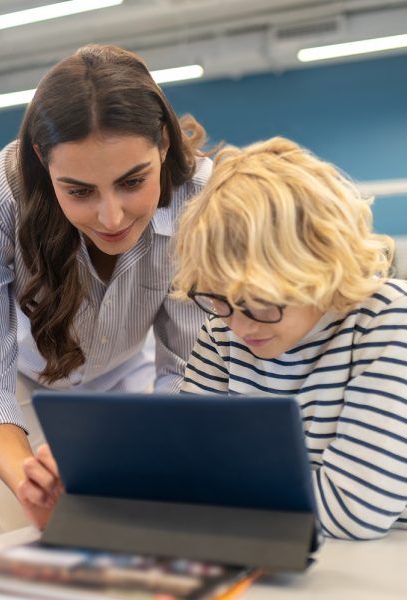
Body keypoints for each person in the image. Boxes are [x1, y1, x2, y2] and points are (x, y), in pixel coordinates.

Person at [0, 44, 210, 533]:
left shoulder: (200, 197)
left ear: (164, 147)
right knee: (31, 538)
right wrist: (29, 480)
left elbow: (189, 369)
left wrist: (144, 458)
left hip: (132, 376)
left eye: (133, 182)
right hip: (26, 390)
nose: (111, 217)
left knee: (143, 527)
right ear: (42, 161)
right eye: (79, 191)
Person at [172, 136, 407, 540]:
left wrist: (216, 486)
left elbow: (351, 510)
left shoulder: (387, 322)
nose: (241, 327)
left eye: (261, 302)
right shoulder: (221, 331)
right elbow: (183, 472)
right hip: (276, 545)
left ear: (320, 267)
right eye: (219, 300)